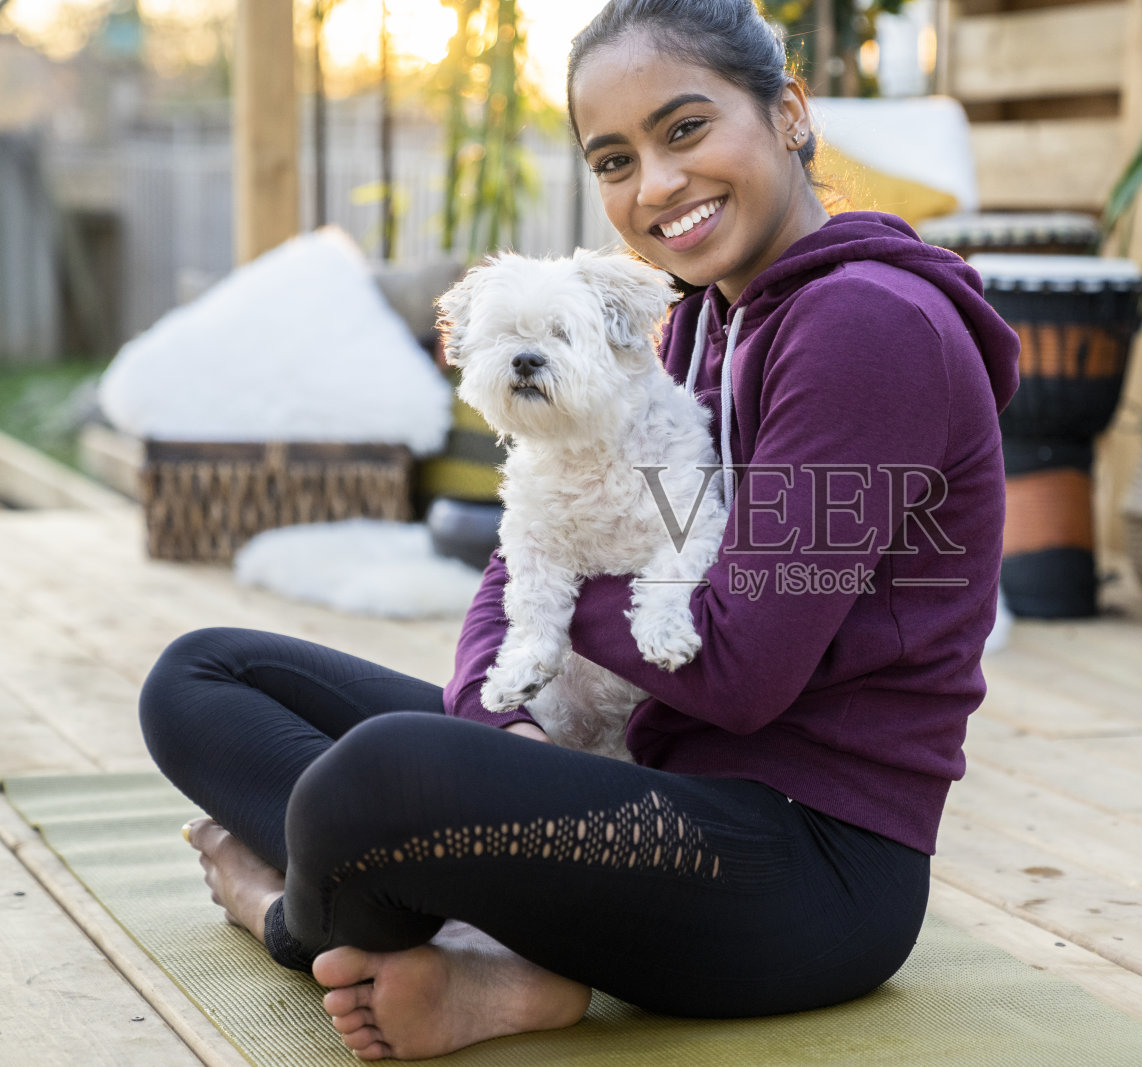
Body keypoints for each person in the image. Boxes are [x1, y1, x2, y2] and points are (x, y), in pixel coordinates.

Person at [138, 0, 1020, 1059]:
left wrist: (543, 583)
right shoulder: (686, 322)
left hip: (801, 865)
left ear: (788, 112)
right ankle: (498, 943)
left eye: (685, 129)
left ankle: (287, 908)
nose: (652, 186)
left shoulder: (868, 330)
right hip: (641, 771)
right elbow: (522, 554)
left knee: (380, 779)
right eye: (613, 159)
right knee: (202, 675)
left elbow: (738, 668)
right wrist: (501, 725)